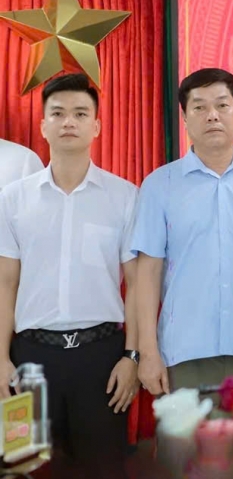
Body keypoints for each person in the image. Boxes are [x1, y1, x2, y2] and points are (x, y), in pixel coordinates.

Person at [0, 73, 139, 478]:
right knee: (22, 468)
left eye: (80, 113)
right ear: (43, 125)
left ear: (96, 126)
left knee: (103, 469)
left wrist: (131, 356)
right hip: (29, 359)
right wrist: (1, 358)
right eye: (58, 113)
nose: (68, 122)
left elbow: (137, 285)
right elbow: (5, 283)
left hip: (101, 359)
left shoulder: (124, 196)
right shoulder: (12, 199)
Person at [133, 68, 233, 397]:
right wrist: (147, 351)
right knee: (185, 434)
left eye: (222, 105)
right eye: (199, 107)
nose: (212, 116)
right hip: (183, 352)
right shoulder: (159, 185)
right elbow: (147, 272)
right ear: (184, 117)